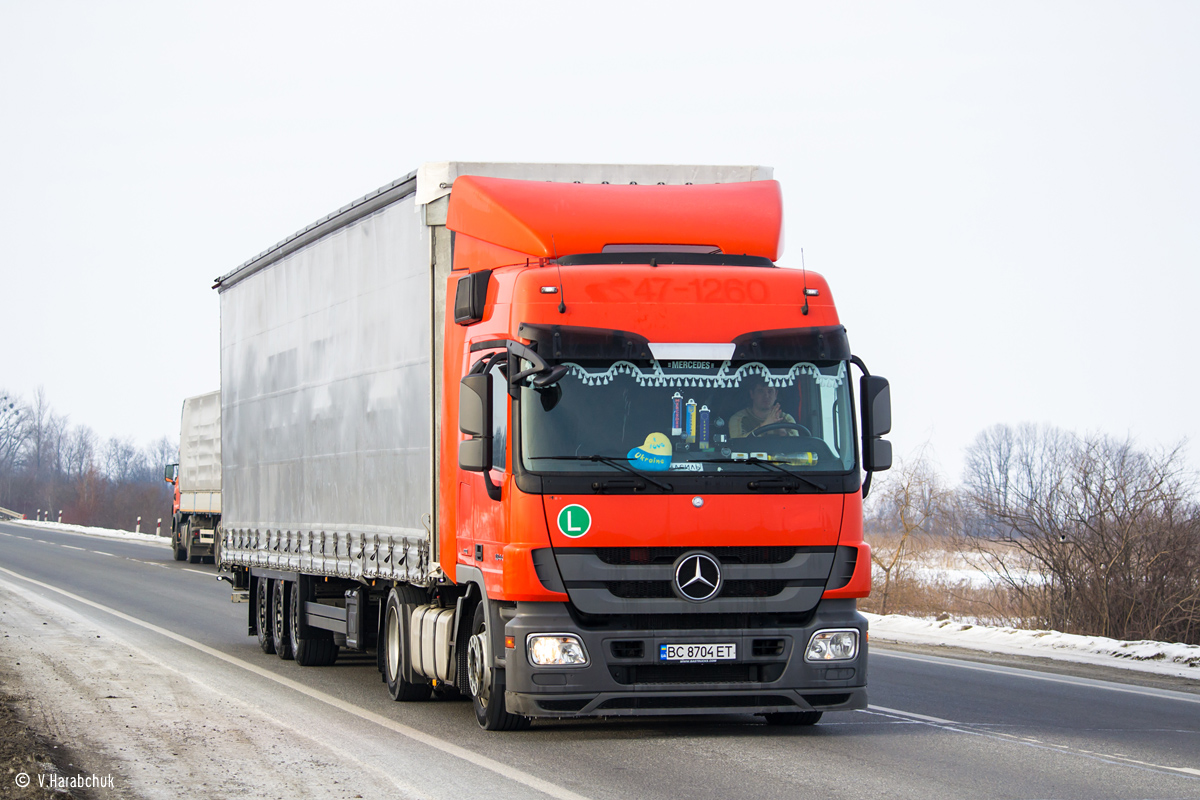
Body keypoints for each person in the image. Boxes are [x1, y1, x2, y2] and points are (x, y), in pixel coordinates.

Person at [729, 375, 799, 438]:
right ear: (752, 394)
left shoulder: (786, 419)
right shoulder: (739, 418)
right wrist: (765, 425)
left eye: (770, 391)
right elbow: (738, 445)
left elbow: (798, 446)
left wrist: (781, 431)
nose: (766, 396)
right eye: (760, 391)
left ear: (776, 394)